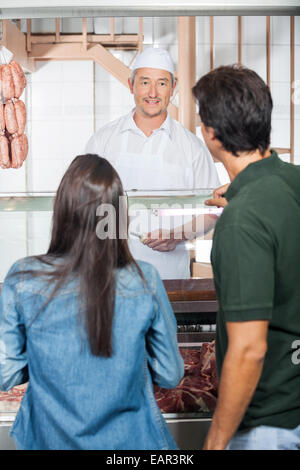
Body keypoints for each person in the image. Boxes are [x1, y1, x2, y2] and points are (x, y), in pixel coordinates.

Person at [0, 154, 184, 450]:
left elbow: (4, 372)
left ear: (62, 211)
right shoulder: (144, 279)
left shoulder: (23, 277)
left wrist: (43, 358)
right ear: (118, 216)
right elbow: (170, 373)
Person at [192, 65, 300, 450]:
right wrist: (243, 192)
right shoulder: (290, 180)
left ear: (211, 133)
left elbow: (249, 349)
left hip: (271, 424)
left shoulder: (241, 221)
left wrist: (216, 442)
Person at [85, 47, 220, 279]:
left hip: (168, 275)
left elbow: (212, 210)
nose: (153, 93)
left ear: (173, 89)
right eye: (145, 82)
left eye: (162, 83)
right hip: (110, 272)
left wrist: (178, 235)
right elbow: (83, 201)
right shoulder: (103, 140)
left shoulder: (192, 147)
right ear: (131, 86)